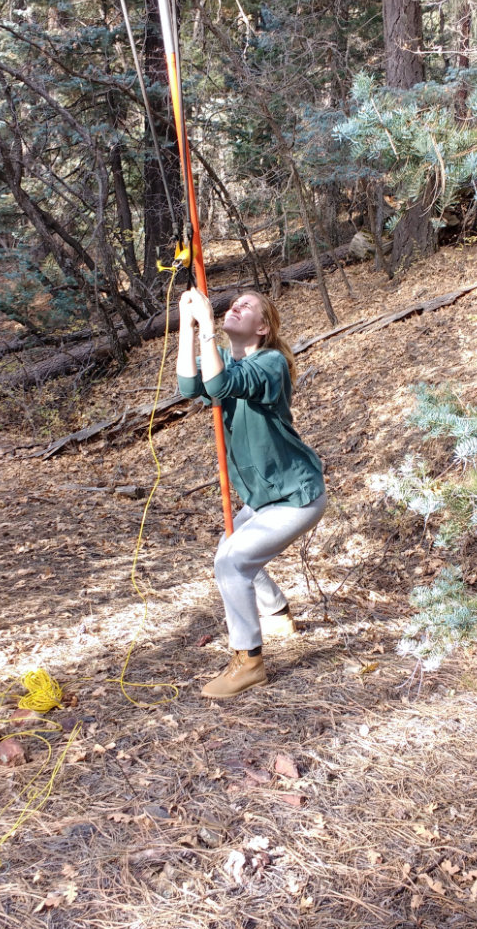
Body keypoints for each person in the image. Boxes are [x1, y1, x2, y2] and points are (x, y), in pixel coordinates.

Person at [176, 288, 327, 699]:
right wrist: (187, 327)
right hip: (264, 499)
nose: (234, 307)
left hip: (297, 495)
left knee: (233, 561)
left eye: (247, 306)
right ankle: (277, 612)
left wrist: (208, 326)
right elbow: (192, 386)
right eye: (232, 304)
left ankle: (249, 662)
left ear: (262, 328)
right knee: (231, 546)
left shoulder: (272, 363)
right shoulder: (222, 358)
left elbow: (222, 385)